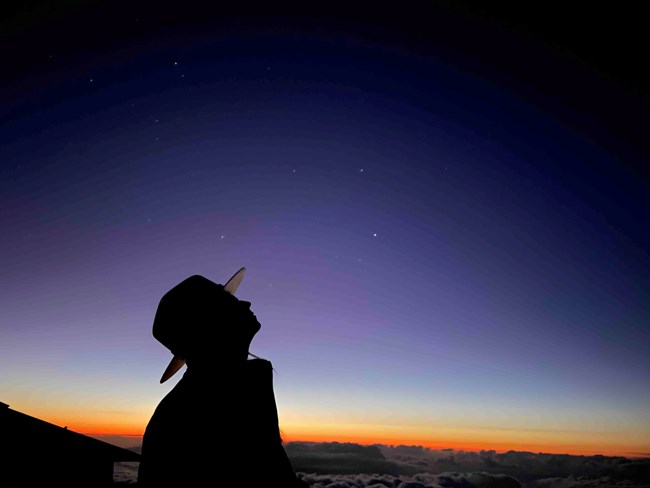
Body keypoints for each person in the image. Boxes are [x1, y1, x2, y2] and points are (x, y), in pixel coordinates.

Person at [137, 267, 307, 487]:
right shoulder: (200, 409)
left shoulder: (226, 391)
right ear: (210, 324)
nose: (246, 303)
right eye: (229, 302)